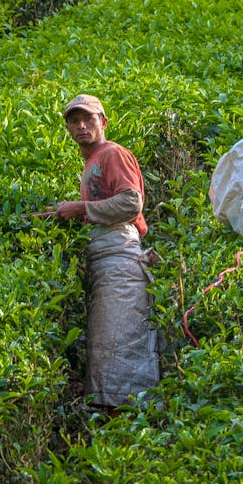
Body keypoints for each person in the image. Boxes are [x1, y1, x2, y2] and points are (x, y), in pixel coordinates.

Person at [53, 94, 160, 413]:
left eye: (89, 118)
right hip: (104, 260)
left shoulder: (113, 153)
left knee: (120, 341)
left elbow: (131, 204)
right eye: (74, 121)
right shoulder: (92, 162)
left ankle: (131, 426)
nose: (81, 125)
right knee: (105, 345)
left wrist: (82, 208)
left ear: (104, 122)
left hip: (120, 258)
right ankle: (110, 426)